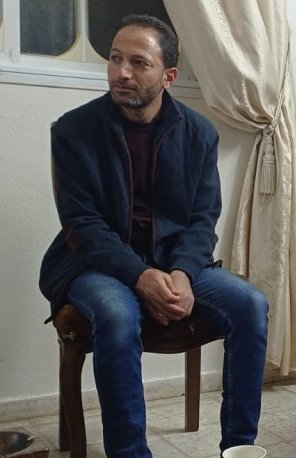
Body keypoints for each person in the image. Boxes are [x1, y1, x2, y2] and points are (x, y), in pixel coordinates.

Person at [38, 15, 268, 457]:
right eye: (115, 59)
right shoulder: (74, 130)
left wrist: (183, 273)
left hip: (175, 260)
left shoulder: (199, 133)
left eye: (139, 63)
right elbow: (82, 224)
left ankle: (239, 447)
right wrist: (140, 276)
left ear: (169, 76)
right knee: (116, 314)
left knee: (251, 304)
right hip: (95, 264)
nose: (121, 72)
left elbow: (202, 218)